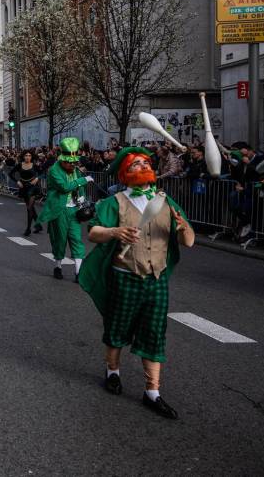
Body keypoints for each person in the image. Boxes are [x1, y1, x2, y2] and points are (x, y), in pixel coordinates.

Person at [79, 147, 195, 419]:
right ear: (124, 173)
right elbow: (94, 233)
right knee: (117, 328)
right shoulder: (114, 202)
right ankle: (113, 372)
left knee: (154, 333)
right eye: (135, 164)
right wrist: (115, 231)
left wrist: (183, 228)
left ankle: (152, 392)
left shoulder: (166, 202)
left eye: (145, 162)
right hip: (125, 276)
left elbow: (189, 241)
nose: (142, 166)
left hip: (156, 280)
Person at [37, 137, 92, 281]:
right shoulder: (54, 170)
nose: (72, 164)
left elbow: (79, 187)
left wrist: (82, 197)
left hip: (74, 210)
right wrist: (83, 180)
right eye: (69, 162)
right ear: (62, 159)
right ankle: (58, 266)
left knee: (76, 240)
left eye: (74, 162)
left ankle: (78, 272)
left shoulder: (75, 169)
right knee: (59, 240)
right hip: (59, 210)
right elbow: (64, 187)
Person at [12, 150, 43, 236]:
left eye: (29, 155)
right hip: (24, 188)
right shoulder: (20, 165)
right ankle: (38, 225)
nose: (28, 157)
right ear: (23, 156)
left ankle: (28, 228)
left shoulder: (34, 165)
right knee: (31, 208)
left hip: (33, 188)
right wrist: (17, 181)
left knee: (29, 208)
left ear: (31, 157)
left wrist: (37, 178)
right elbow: (11, 174)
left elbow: (42, 173)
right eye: (26, 155)